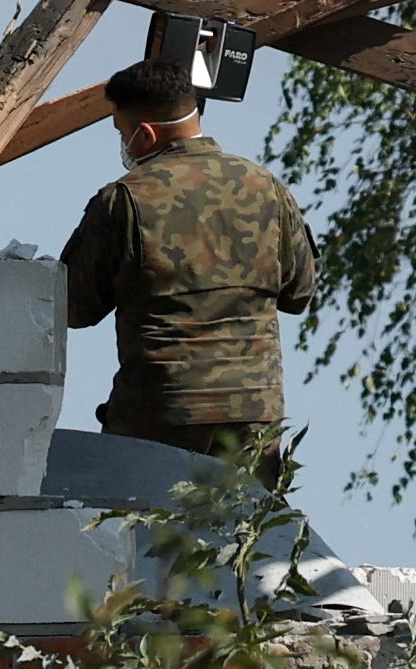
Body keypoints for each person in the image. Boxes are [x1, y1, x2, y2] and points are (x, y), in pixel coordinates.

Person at [61, 57, 316, 470]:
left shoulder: (124, 200)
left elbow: (72, 306)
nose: (123, 143)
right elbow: (299, 293)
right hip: (253, 415)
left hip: (160, 412)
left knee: (139, 511)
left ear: (145, 134)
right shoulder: (267, 188)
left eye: (122, 132)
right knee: (244, 514)